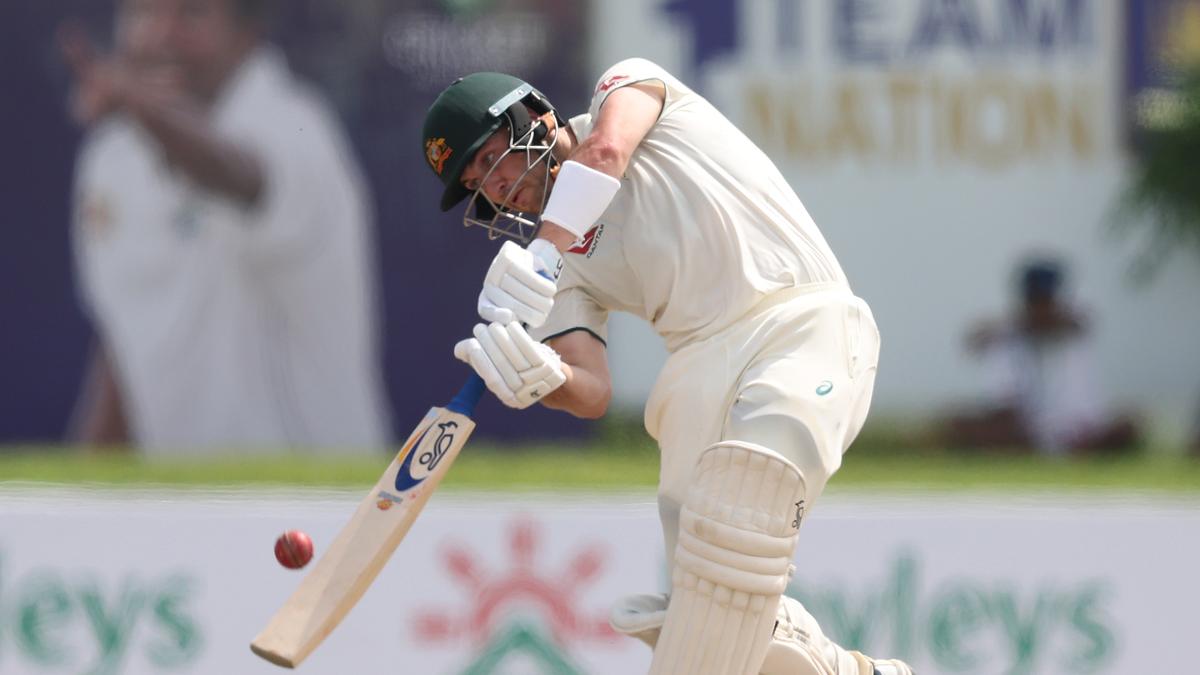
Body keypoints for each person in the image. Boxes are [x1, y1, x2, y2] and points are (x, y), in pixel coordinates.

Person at [420, 60, 911, 674]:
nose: (493, 189)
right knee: (712, 618)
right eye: (476, 183)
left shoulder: (624, 91)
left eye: (491, 161)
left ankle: (777, 621)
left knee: (749, 490)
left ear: (534, 120)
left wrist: (545, 249)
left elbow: (605, 153)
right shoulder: (559, 267)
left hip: (801, 321)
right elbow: (591, 389)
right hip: (697, 375)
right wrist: (544, 378)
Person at [63, 0, 389, 453]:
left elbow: (241, 176)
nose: (159, 35)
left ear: (247, 31)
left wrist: (144, 109)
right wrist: (76, 503)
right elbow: (126, 343)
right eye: (141, 13)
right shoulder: (109, 160)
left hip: (315, 496)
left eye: (191, 13)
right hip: (186, 507)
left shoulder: (294, 125)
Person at [941, 257, 1139, 456]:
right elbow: (977, 344)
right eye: (1036, 302)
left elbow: (1078, 322)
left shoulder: (1070, 332)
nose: (1042, 309)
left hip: (1078, 425)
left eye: (1047, 302)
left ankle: (1069, 448)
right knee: (964, 423)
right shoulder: (1009, 342)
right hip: (1028, 429)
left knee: (1128, 425)